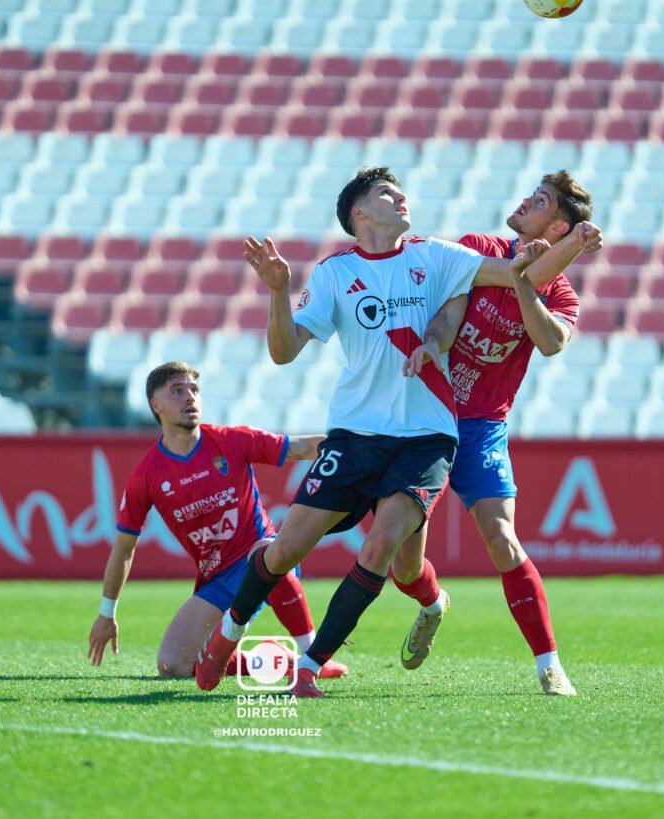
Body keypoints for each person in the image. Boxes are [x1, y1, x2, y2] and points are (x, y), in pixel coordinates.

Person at [193, 167, 592, 697]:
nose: (402, 195)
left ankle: (312, 667)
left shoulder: (444, 258)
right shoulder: (345, 270)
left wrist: (573, 247)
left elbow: (527, 290)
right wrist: (281, 291)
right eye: (387, 191)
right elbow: (286, 351)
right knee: (321, 555)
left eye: (539, 200)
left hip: (444, 431)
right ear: (360, 213)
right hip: (362, 432)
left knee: (425, 544)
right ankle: (235, 635)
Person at [402, 171, 596, 697]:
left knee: (503, 540)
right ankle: (431, 601)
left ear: (556, 228)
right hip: (430, 416)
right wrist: (433, 347)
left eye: (538, 202)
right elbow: (448, 316)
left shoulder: (563, 296)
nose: (523, 202)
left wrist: (526, 284)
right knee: (402, 564)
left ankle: (549, 665)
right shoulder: (479, 248)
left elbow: (551, 342)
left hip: (485, 424)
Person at [87, 360, 347, 681]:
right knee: (173, 665)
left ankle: (312, 656)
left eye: (194, 390)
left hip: (262, 562)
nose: (189, 397)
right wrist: (106, 614)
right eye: (177, 391)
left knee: (265, 552)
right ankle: (278, 661)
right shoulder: (147, 475)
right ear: (156, 406)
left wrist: (361, 448)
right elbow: (125, 547)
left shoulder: (230, 440)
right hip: (218, 579)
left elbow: (303, 447)